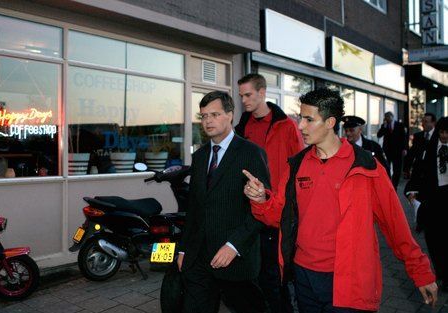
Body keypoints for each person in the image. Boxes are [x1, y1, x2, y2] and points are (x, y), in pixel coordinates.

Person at [242, 88, 438, 312]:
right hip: (303, 277)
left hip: (349, 281)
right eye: (300, 118)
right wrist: (260, 199)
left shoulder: (366, 166)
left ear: (330, 122)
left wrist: (420, 272)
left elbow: (396, 225)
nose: (301, 126)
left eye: (308, 119)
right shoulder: (296, 165)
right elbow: (279, 215)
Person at [177, 90, 270, 313]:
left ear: (230, 114)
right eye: (204, 116)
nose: (208, 121)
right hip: (199, 258)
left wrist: (233, 246)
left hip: (235, 259)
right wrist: (183, 249)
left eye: (215, 114)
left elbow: (261, 208)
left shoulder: (251, 153)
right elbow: (194, 208)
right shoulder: (199, 157)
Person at [236, 73, 303, 313]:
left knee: (275, 277)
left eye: (248, 94)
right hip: (248, 210)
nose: (243, 100)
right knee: (252, 274)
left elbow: (299, 168)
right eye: (241, 95)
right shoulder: (242, 128)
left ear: (262, 93)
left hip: (276, 211)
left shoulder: (287, 127)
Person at [405, 116, 448, 292]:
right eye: (442, 132)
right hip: (433, 198)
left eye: (447, 133)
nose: (444, 136)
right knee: (434, 238)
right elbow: (419, 169)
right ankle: (442, 273)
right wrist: (411, 189)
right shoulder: (430, 148)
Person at [377, 111, 408, 189]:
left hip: (397, 150)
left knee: (397, 169)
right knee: (386, 167)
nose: (387, 119)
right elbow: (379, 135)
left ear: (392, 117)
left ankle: (394, 186)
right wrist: (384, 126)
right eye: (386, 117)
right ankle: (388, 183)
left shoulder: (399, 125)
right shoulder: (384, 125)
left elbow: (404, 137)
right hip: (387, 150)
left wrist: (404, 148)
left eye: (388, 117)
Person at [403, 113, 437, 179]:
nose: (423, 124)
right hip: (418, 172)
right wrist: (406, 169)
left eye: (426, 122)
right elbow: (411, 153)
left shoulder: (438, 136)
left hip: (433, 173)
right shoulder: (418, 136)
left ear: (433, 123)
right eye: (422, 121)